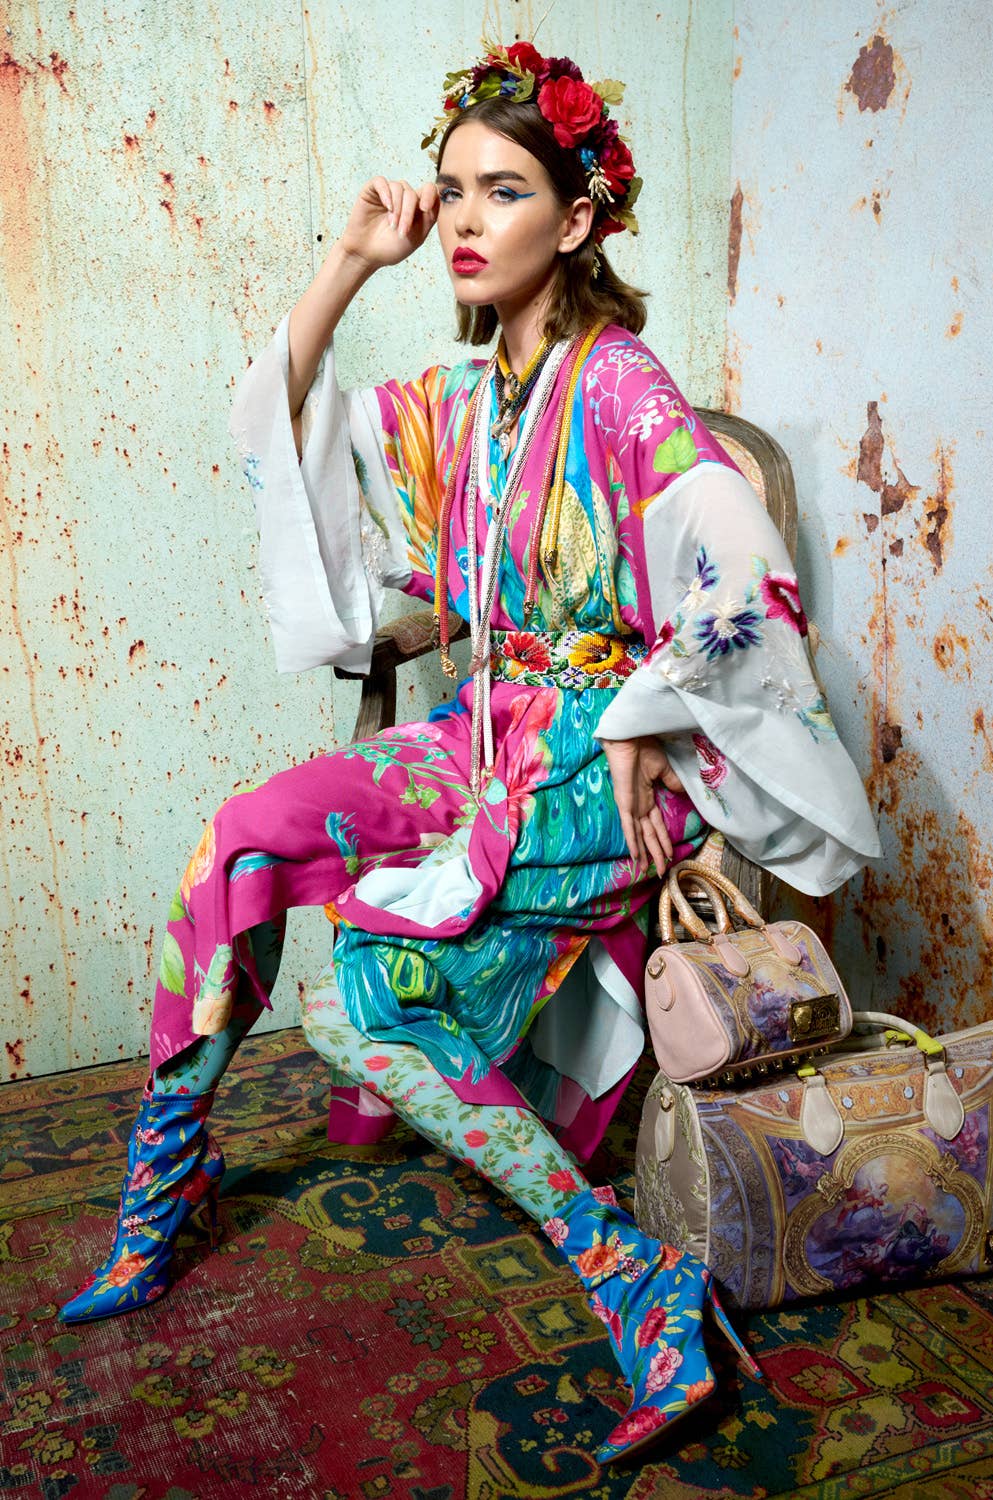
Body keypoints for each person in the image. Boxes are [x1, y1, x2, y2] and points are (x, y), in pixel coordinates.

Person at [59, 40, 880, 1464]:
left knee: (364, 1002)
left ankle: (636, 1281)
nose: (461, 219)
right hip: (478, 736)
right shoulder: (461, 399)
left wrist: (640, 712)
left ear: (576, 220)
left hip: (590, 757)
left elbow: (740, 572)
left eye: (501, 192)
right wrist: (348, 262)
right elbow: (287, 428)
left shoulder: (620, 384)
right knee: (240, 840)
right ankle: (164, 1194)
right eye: (449, 193)